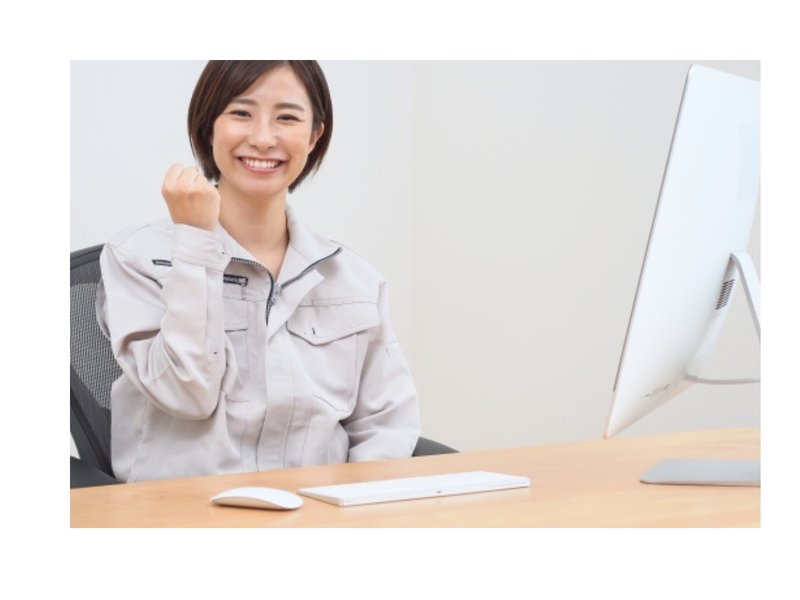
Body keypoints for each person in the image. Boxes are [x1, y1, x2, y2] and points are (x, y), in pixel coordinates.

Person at [96, 61, 421, 483]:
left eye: (287, 117)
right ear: (208, 127)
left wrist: (355, 506)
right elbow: (187, 393)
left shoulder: (355, 280)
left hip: (318, 511)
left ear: (314, 135)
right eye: (241, 113)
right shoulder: (138, 257)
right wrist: (195, 246)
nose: (263, 138)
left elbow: (386, 424)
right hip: (183, 512)